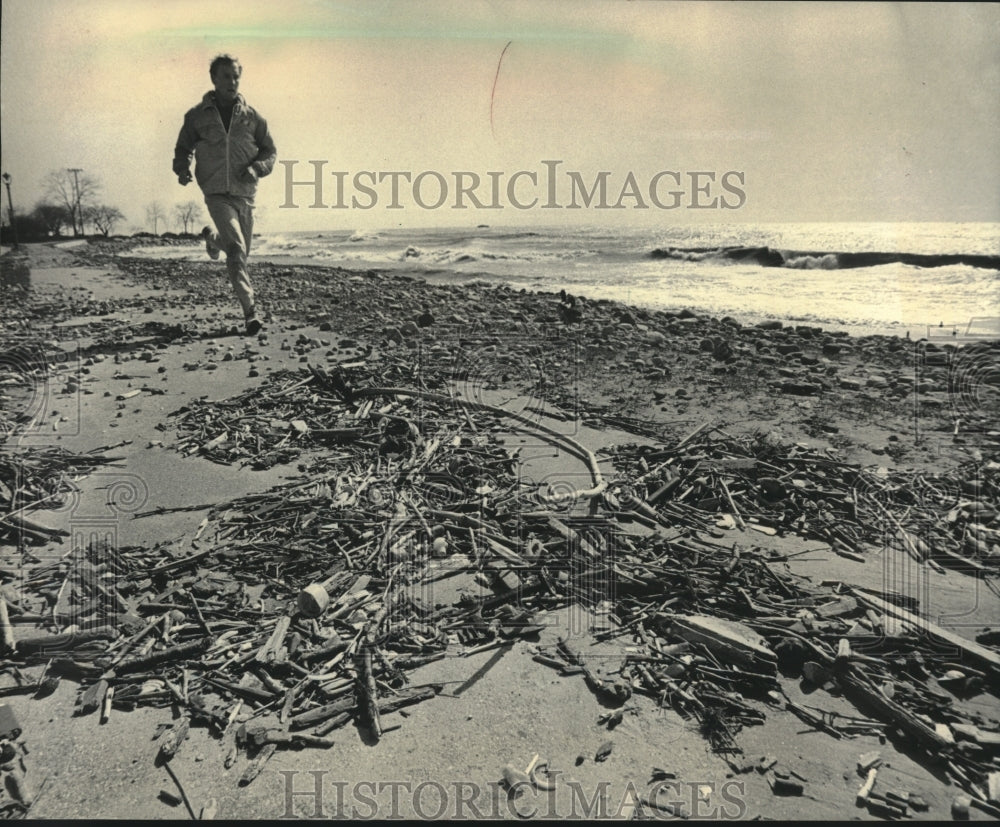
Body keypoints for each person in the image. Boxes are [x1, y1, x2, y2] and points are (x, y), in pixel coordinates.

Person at [173, 54, 276, 335]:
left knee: (239, 253)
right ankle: (250, 312)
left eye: (236, 76)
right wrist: (182, 168)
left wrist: (257, 168)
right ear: (214, 80)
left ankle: (211, 239)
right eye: (226, 76)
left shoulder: (253, 117)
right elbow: (183, 148)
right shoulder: (196, 116)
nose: (232, 82)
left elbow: (270, 152)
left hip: (245, 194)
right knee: (237, 250)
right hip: (216, 191)